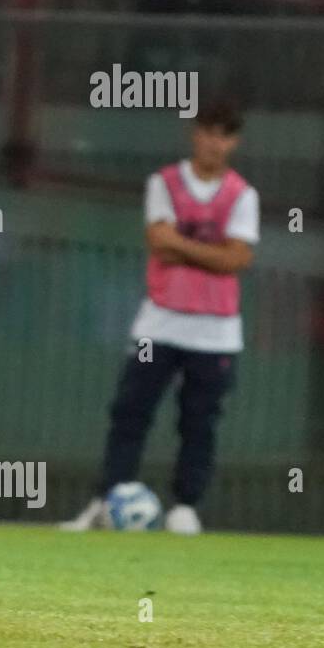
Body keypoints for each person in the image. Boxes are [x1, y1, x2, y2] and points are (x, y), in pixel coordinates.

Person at [63, 101, 259, 534]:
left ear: (233, 142)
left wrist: (183, 245)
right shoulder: (164, 183)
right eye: (208, 130)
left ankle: (186, 506)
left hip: (217, 332)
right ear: (196, 134)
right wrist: (214, 252)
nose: (214, 142)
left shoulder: (242, 195)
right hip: (159, 324)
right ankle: (106, 499)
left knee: (199, 421)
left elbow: (237, 259)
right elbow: (159, 242)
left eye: (224, 134)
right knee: (131, 410)